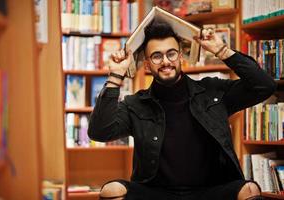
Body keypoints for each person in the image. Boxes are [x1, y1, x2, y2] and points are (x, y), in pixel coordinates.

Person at [88, 18, 276, 200]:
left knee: (250, 189)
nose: (165, 61)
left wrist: (222, 50)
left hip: (209, 191)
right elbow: (99, 132)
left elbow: (264, 86)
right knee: (112, 191)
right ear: (147, 64)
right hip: (156, 192)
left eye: (171, 53)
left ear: (180, 56)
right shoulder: (135, 104)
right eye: (156, 56)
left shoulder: (213, 92)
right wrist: (115, 76)